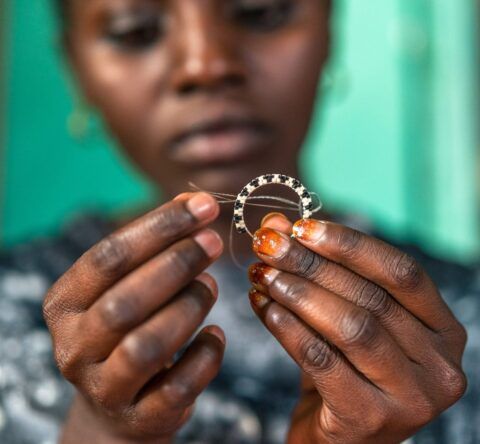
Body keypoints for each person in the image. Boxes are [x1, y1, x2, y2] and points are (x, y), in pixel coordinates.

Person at [0, 0, 477, 442]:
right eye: (137, 31)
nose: (206, 66)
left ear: (330, 26)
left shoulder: (461, 317)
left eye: (258, 12)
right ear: (76, 68)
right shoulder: (12, 312)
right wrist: (101, 433)